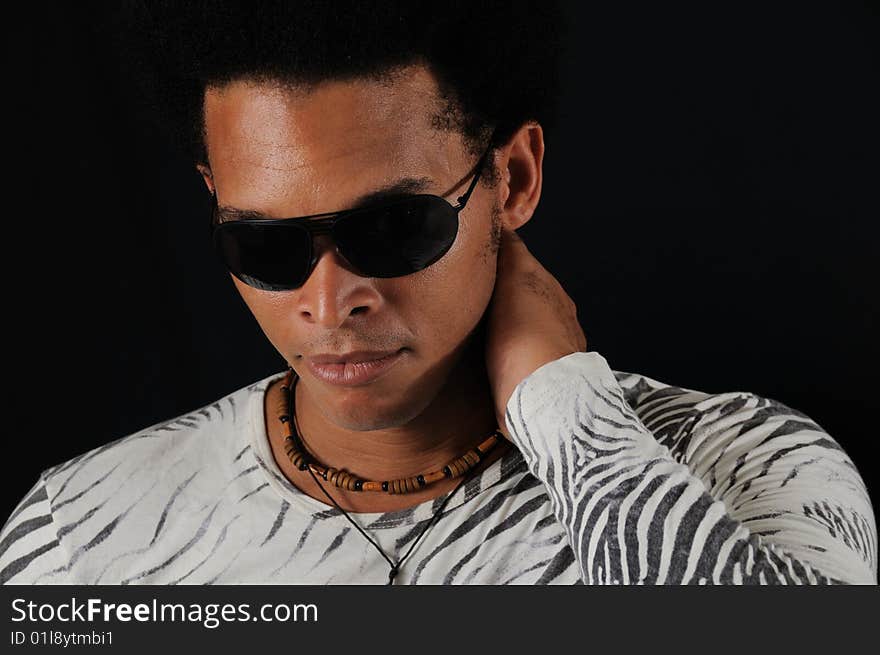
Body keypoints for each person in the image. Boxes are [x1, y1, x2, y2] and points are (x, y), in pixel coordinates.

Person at [1, 0, 876, 585]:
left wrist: (566, 411)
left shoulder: (752, 465)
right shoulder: (81, 532)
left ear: (515, 177)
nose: (330, 296)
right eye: (264, 242)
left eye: (391, 228)